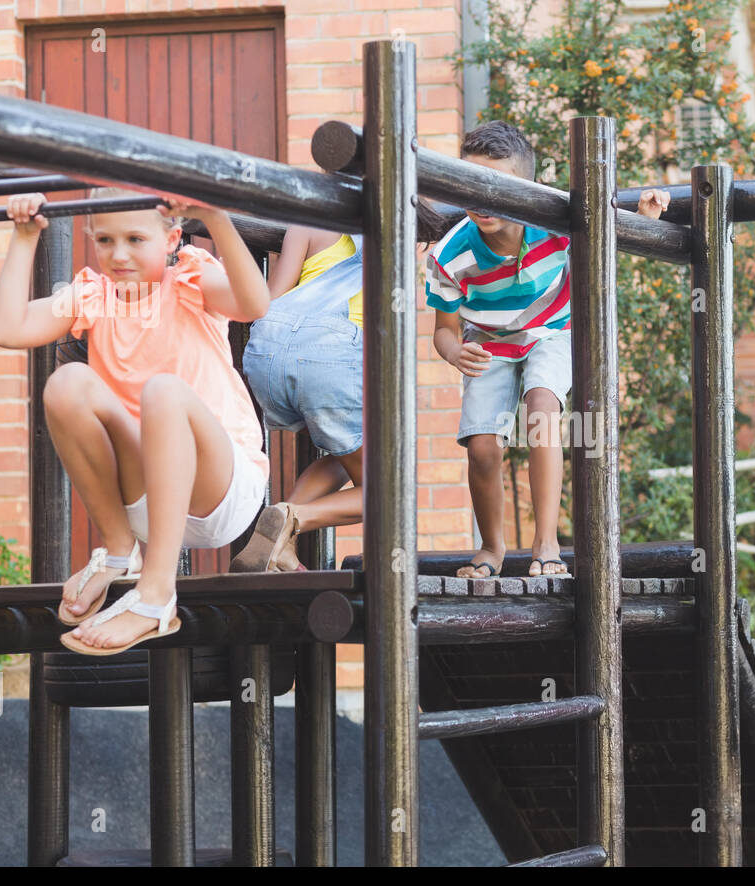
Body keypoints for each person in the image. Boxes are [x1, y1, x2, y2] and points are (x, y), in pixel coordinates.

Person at [0, 189, 271, 655]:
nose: (118, 255)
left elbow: (254, 304)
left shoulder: (191, 280)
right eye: (105, 241)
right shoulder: (93, 297)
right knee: (67, 383)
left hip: (222, 490)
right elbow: (7, 329)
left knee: (162, 391)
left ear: (171, 239)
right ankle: (119, 550)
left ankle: (158, 594)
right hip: (147, 500)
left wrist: (217, 217)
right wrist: (22, 237)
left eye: (136, 239)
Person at [425, 121, 669, 578]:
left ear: (526, 188)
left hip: (552, 329)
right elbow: (444, 330)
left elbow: (605, 244)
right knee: (481, 447)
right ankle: (492, 549)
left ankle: (547, 544)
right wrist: (454, 352)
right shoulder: (450, 254)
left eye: (496, 186)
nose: (482, 200)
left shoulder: (555, 222)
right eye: (471, 184)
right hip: (489, 342)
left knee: (542, 407)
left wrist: (647, 219)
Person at [232, 200, 449, 572]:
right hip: (332, 365)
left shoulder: (306, 222)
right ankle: (291, 516)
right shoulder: (395, 232)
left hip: (267, 364)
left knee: (344, 454)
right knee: (387, 494)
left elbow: (270, 300)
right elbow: (398, 315)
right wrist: (406, 262)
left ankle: (282, 542)